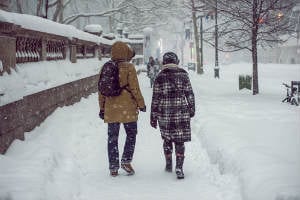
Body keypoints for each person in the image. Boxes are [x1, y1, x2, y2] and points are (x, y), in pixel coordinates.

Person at [98, 41, 146, 177]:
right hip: (128, 108)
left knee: (112, 137)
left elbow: (101, 91)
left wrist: (102, 108)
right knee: (131, 134)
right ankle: (126, 160)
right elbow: (135, 89)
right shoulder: (129, 67)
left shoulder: (105, 67)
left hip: (111, 108)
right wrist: (141, 104)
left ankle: (113, 167)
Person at [150, 52, 195, 179]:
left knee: (167, 139)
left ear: (164, 62)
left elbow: (156, 98)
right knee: (179, 140)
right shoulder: (183, 75)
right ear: (176, 61)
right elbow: (189, 94)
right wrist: (191, 109)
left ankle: (169, 164)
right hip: (181, 112)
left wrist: (153, 116)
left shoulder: (159, 77)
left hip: (164, 113)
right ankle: (179, 167)